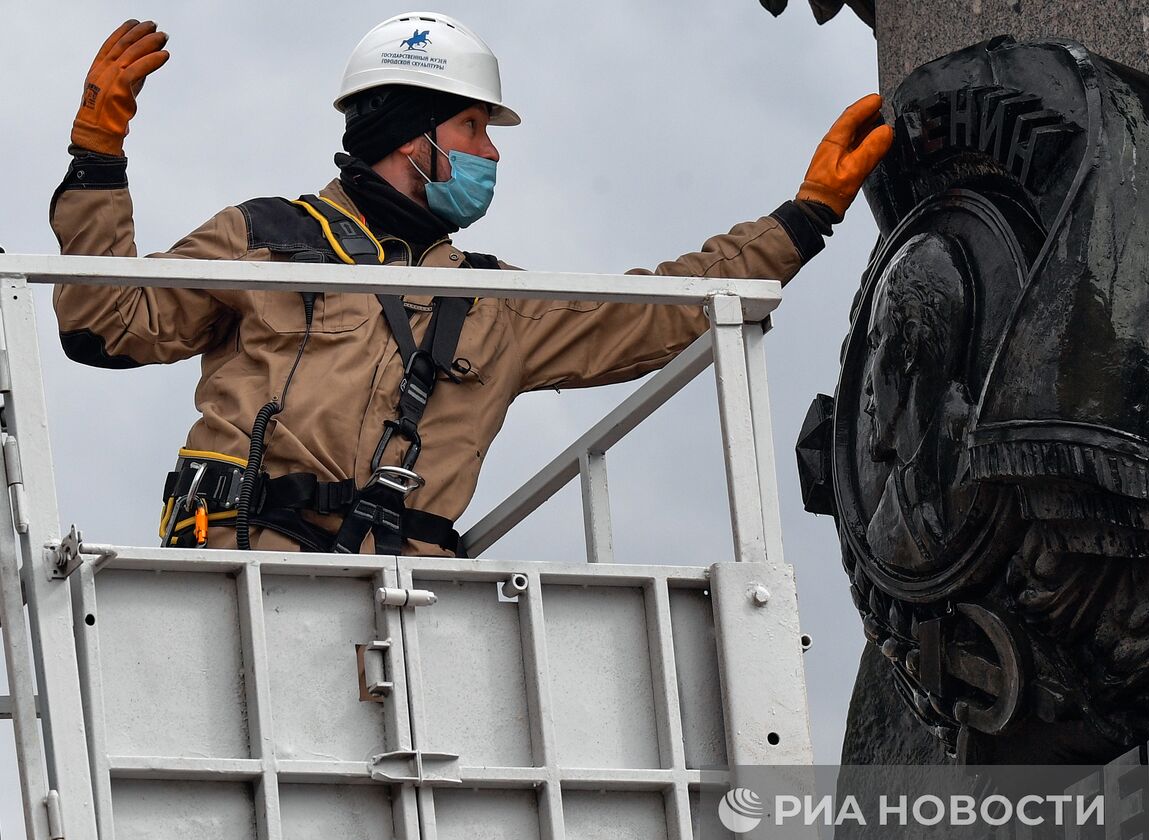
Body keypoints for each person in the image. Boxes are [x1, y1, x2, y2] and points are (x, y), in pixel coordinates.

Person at [52, 13, 893, 556]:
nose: (491, 154)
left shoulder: (494, 306)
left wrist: (806, 217)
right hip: (237, 578)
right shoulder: (267, 238)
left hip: (405, 619)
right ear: (413, 136)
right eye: (474, 128)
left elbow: (667, 312)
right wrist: (98, 156)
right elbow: (105, 325)